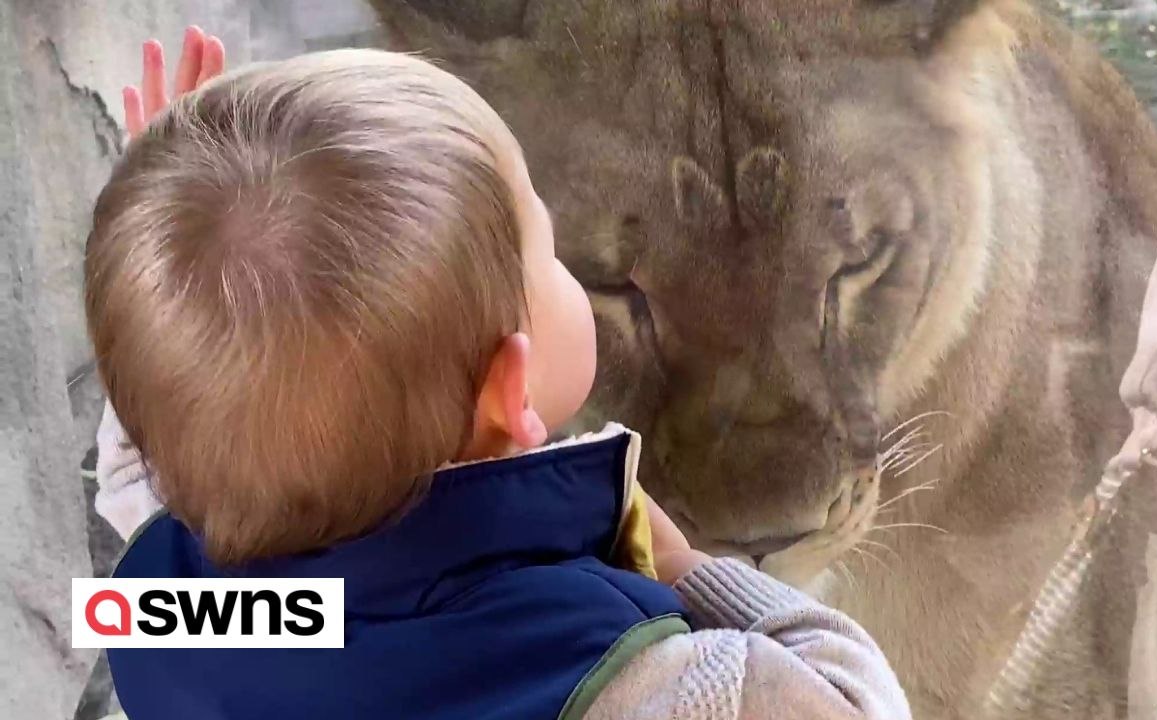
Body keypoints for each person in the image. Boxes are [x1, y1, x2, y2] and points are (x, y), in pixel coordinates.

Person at [88, 28, 912, 720]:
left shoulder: (170, 606)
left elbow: (151, 445)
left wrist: (175, 276)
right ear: (508, 390)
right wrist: (694, 572)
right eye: (550, 252)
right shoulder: (612, 675)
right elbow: (853, 701)